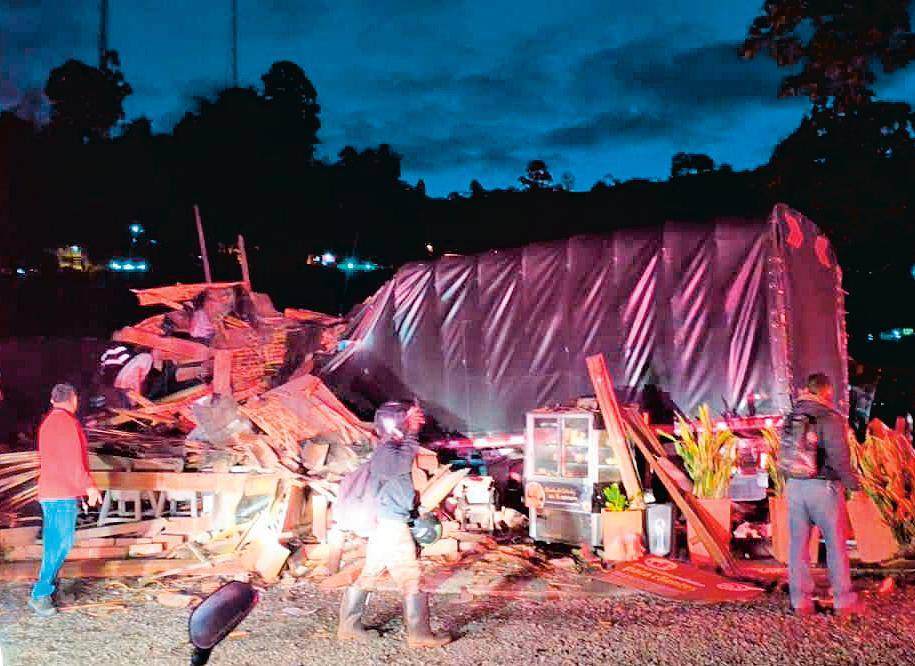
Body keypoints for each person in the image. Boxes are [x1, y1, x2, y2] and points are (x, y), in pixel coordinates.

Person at [337, 401, 452, 648]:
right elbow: (404, 457)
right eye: (403, 421)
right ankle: (419, 635)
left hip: (387, 523)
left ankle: (348, 627)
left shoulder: (388, 448)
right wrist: (411, 430)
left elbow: (405, 453)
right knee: (410, 576)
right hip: (392, 525)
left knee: (370, 573)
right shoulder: (388, 452)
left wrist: (408, 427)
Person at [787, 373, 863, 617]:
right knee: (835, 543)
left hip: (794, 486)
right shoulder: (829, 417)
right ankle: (844, 601)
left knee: (798, 545)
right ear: (826, 392)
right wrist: (854, 485)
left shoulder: (792, 416)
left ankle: (801, 602)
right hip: (823, 487)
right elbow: (839, 458)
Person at [29, 384, 101, 617]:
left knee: (55, 543)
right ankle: (41, 594)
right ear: (73, 399)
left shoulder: (49, 422)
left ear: (53, 400)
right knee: (60, 544)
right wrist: (89, 486)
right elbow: (73, 461)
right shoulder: (67, 424)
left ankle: (49, 591)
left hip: (52, 491)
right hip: (60, 493)